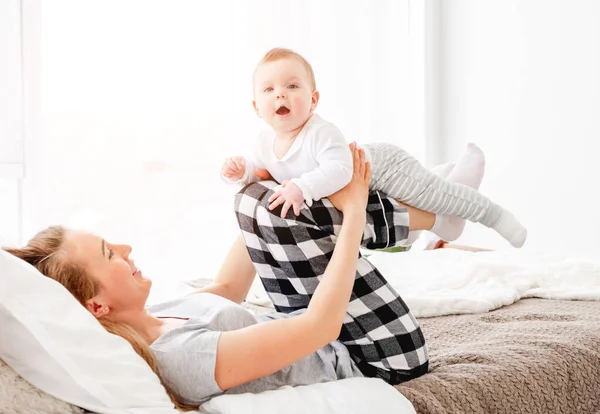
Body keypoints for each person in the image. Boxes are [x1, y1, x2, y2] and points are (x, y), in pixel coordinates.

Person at [3, 145, 445, 410]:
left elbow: (231, 289)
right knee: (274, 199)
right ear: (97, 307)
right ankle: (438, 214)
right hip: (378, 357)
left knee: (263, 197)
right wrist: (350, 211)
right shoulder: (180, 360)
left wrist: (274, 181)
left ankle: (435, 216)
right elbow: (320, 328)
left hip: (332, 333)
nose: (126, 250)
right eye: (109, 254)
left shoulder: (158, 314)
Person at [221, 48, 527, 247]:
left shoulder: (320, 132)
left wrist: (301, 188)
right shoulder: (262, 141)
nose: (280, 95)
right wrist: (241, 170)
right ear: (256, 107)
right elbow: (259, 168)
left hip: (382, 168)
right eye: (269, 89)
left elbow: (340, 170)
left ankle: (494, 215)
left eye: (292, 86)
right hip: (359, 191)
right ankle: (445, 187)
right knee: (397, 227)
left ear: (313, 100)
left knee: (439, 197)